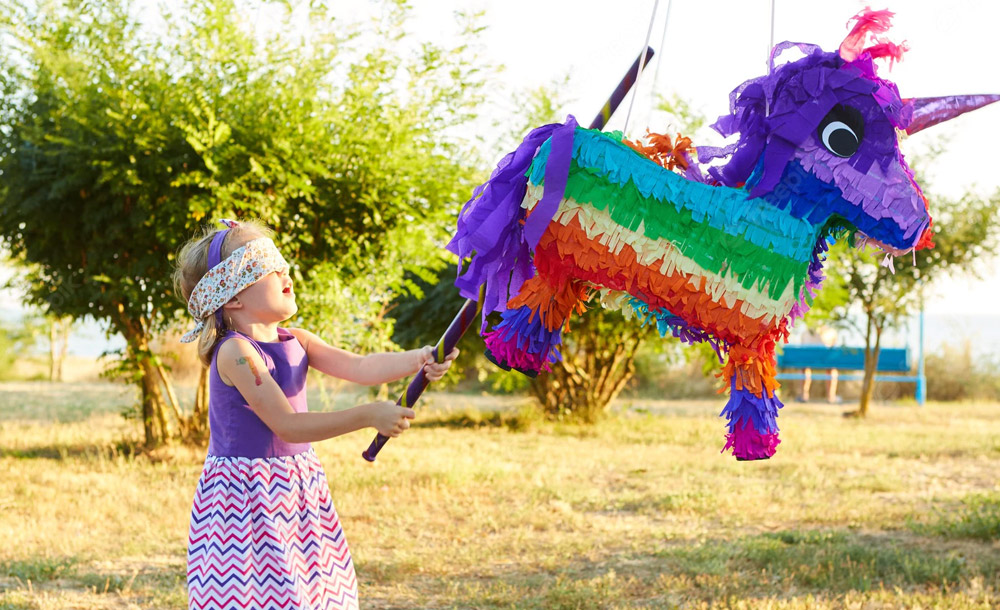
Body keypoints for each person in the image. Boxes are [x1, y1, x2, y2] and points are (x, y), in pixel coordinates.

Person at [173, 219, 457, 610]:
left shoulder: (298, 340)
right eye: (266, 268)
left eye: (281, 263)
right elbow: (287, 425)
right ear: (233, 296)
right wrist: (368, 415)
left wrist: (421, 359)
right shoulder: (235, 353)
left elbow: (361, 366)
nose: (284, 272)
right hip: (246, 502)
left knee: (309, 592)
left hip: (295, 488)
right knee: (259, 597)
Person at [799, 324, 840, 403]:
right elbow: (835, 351)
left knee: (804, 368)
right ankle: (831, 397)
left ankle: (804, 396)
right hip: (825, 361)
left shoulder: (805, 333)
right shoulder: (831, 332)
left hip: (809, 361)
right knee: (832, 369)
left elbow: (802, 348)